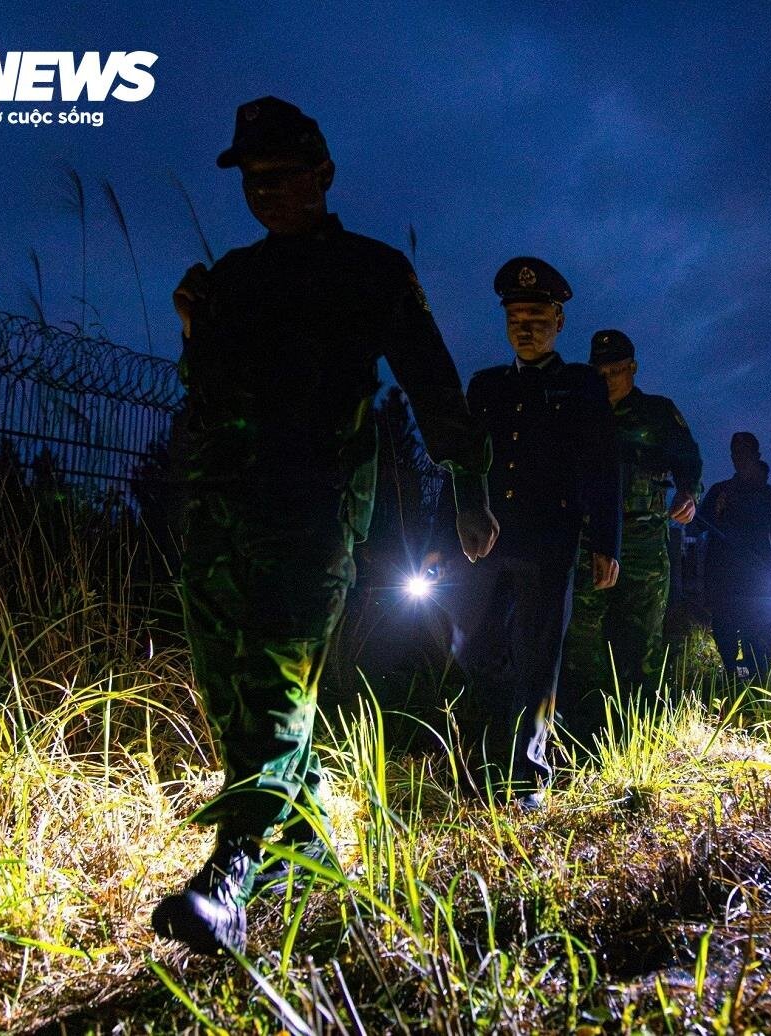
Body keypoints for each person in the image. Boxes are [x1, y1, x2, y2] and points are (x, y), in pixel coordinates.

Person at [152, 96, 497, 956]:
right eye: (251, 180)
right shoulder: (229, 277)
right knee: (230, 684)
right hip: (222, 503)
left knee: (274, 680)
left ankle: (230, 872)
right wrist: (196, 331)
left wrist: (469, 483)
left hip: (312, 505)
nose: (266, 192)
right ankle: (302, 855)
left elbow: (429, 377)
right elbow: (210, 392)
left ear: (323, 174)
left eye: (281, 175)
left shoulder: (370, 270)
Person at [447, 258, 621, 808]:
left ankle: (527, 775)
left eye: (537, 316)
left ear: (559, 321)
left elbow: (602, 464)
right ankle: (489, 748)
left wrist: (605, 543)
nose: (525, 327)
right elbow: (464, 466)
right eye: (516, 317)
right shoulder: (487, 386)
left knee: (538, 654)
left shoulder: (581, 385)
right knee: (472, 646)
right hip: (486, 542)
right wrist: (441, 533)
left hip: (550, 540)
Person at [560, 329, 701, 743]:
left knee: (641, 643)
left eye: (617, 370)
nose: (609, 378)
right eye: (601, 371)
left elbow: (689, 461)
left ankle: (639, 737)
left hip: (643, 544)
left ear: (632, 368)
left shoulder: (658, 413)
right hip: (588, 545)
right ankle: (584, 736)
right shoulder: (578, 415)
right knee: (583, 642)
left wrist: (690, 494)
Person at [699, 433, 771, 679]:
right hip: (725, 576)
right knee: (725, 631)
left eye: (745, 453)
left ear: (756, 456)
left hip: (760, 577)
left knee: (758, 634)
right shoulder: (721, 491)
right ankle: (733, 676)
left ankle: (756, 680)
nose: (739, 459)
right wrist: (715, 511)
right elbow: (699, 525)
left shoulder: (768, 494)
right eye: (736, 454)